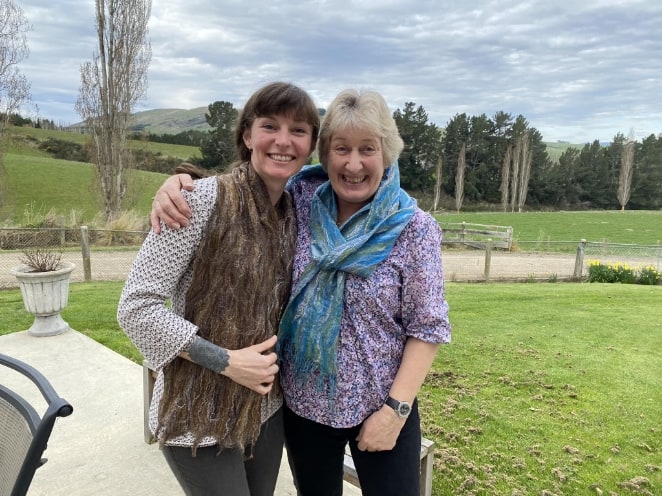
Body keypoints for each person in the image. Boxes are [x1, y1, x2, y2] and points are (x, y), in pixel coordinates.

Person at [151, 89, 451, 496]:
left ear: (388, 154)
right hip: (303, 408)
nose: (354, 163)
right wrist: (178, 183)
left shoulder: (413, 228)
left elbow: (428, 327)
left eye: (368, 149)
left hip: (381, 406)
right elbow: (244, 190)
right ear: (324, 155)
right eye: (341, 148)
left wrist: (395, 412)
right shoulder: (301, 199)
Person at [117, 81, 320, 496]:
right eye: (270, 126)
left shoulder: (298, 212)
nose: (283, 141)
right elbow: (136, 308)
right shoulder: (199, 200)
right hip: (197, 413)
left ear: (311, 145)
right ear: (247, 136)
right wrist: (225, 360)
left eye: (298, 130)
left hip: (266, 409)